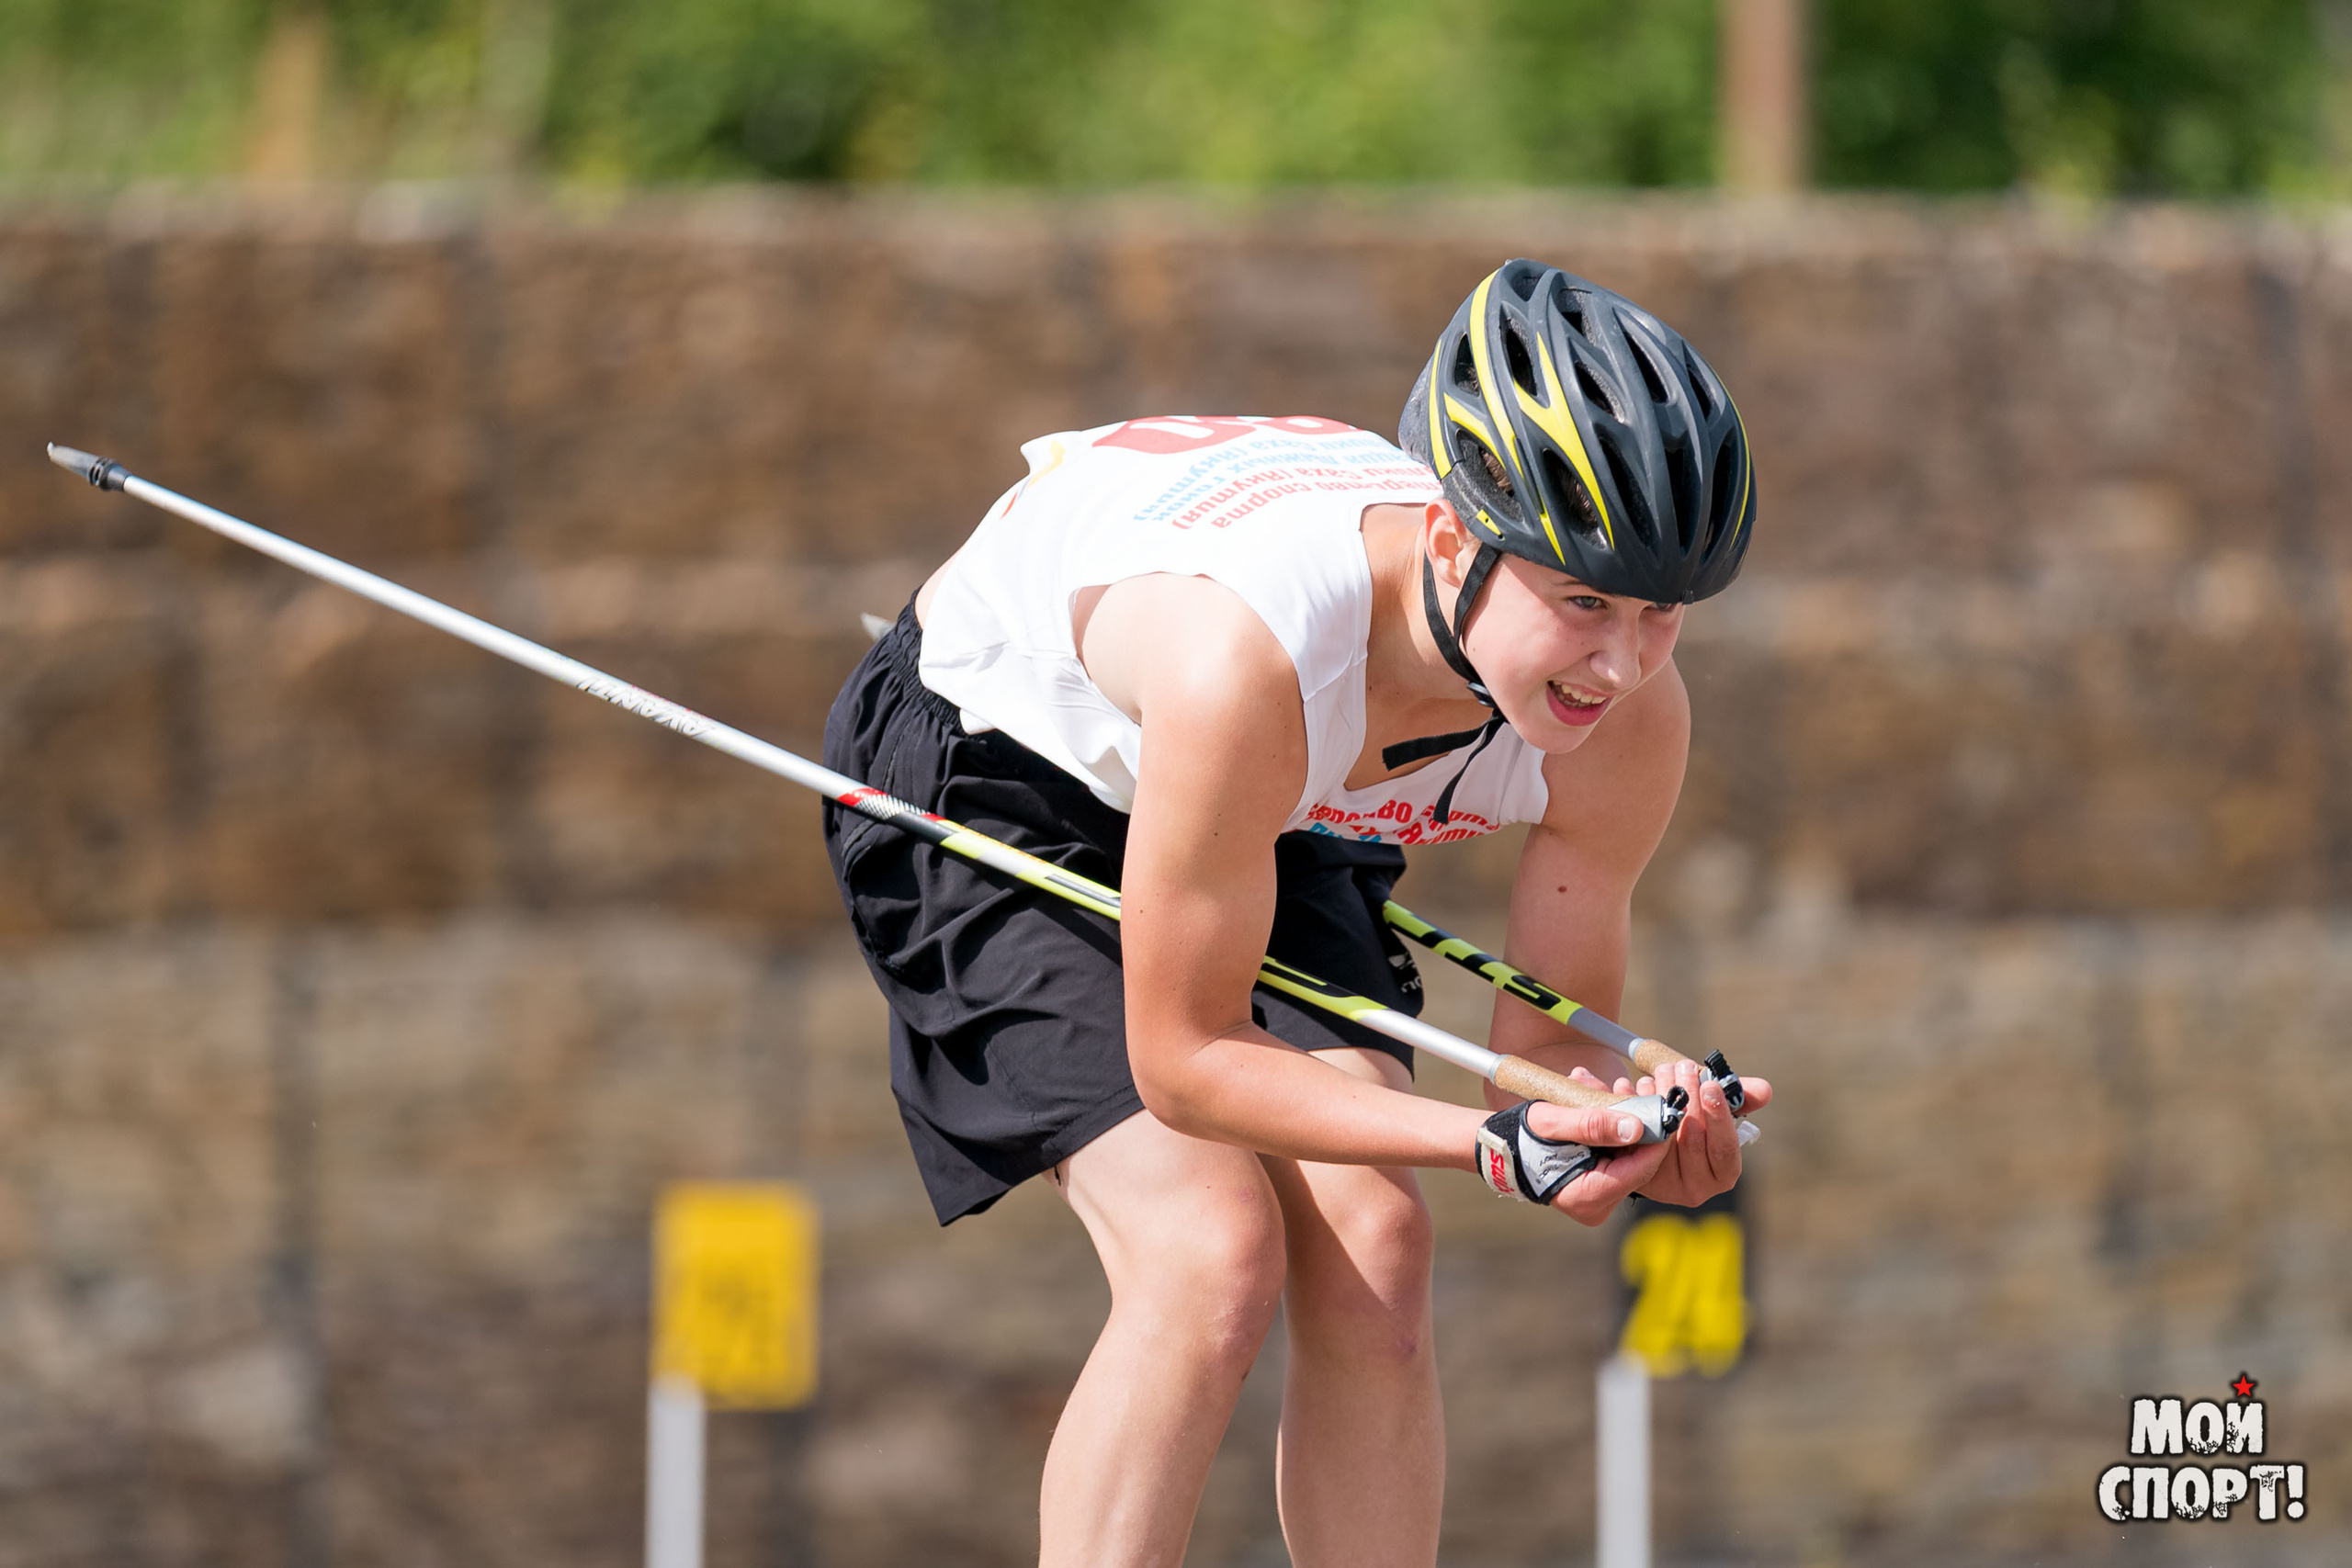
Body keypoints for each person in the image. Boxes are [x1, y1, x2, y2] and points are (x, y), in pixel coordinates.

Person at [822, 258, 1773, 1568]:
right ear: (1453, 543)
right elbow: (1189, 1061)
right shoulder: (1250, 660)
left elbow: (1543, 1050)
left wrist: (1614, 1123)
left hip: (1280, 798)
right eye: (1583, 602)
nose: (1620, 663)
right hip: (1009, 764)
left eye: (1662, 613)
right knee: (1207, 1254)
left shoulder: (1625, 723)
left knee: (1378, 1244)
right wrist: (1495, 1146)